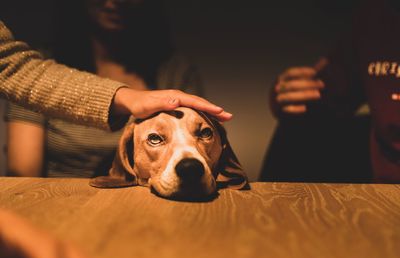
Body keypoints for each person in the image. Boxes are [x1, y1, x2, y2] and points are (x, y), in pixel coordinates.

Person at [6, 0, 208, 177]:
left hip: (147, 199)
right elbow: (23, 171)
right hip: (61, 201)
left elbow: (198, 151)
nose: (117, 1)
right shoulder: (39, 69)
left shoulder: (174, 72)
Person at [0, 20, 231, 130]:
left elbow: (13, 66)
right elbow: (24, 171)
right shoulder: (44, 59)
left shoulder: (175, 69)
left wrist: (129, 98)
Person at [269, 0, 400, 182]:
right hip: (383, 180)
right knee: (295, 130)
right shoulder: (375, 14)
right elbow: (331, 90)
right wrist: (288, 91)